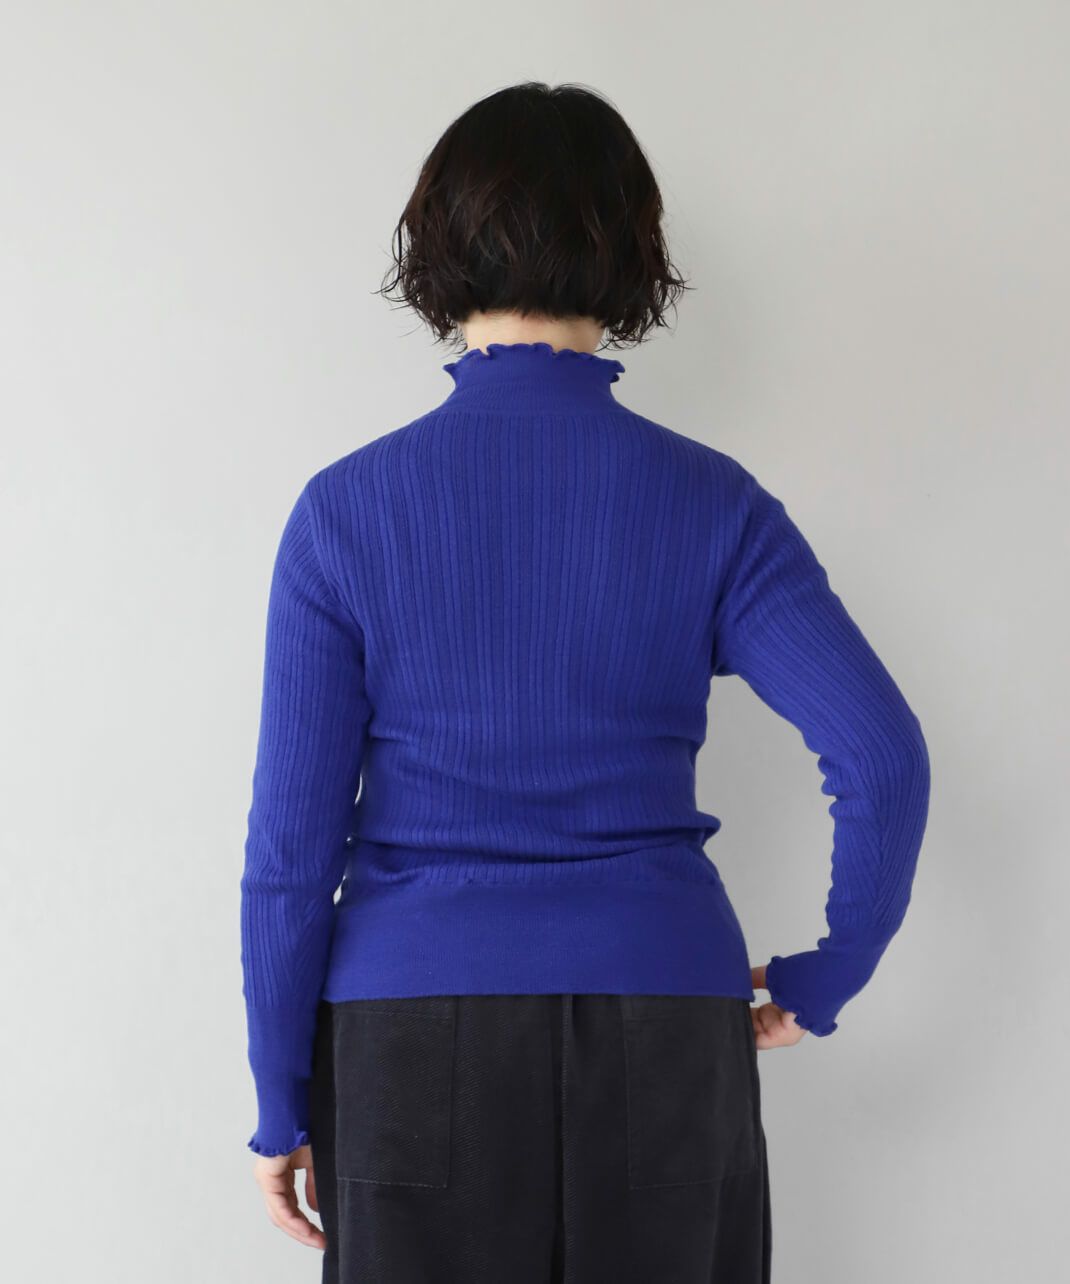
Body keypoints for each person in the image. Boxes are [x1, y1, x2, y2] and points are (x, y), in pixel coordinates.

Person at [239, 81, 931, 1283]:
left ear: (437, 243)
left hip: (410, 1030)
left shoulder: (345, 512)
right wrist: (829, 973)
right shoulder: (712, 503)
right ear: (630, 251)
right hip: (663, 1008)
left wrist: (277, 1096)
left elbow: (291, 852)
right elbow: (878, 754)